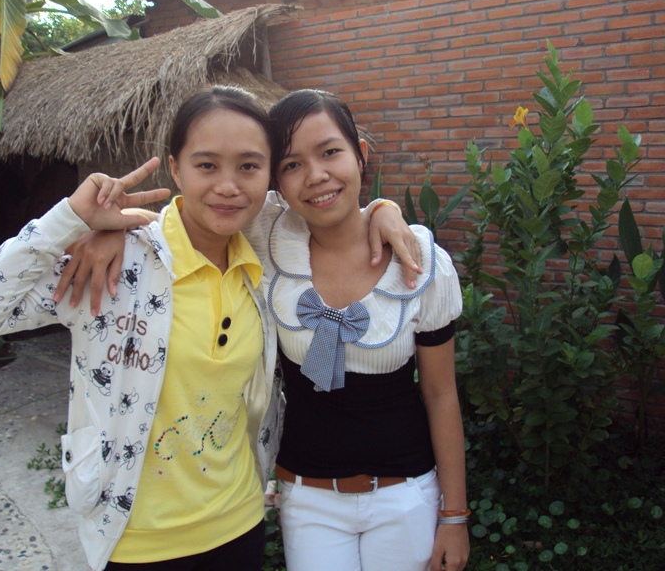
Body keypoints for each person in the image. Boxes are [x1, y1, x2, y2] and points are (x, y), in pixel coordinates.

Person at [61, 89, 469, 571]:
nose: (315, 175)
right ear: (277, 180)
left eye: (330, 152)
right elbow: (192, 221)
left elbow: (441, 394)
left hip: (406, 495)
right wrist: (117, 230)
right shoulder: (269, 237)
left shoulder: (418, 263)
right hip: (308, 496)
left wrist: (455, 515)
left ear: (360, 154)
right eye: (292, 164)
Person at [0, 87, 285, 571]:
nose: (229, 186)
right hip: (136, 542)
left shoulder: (265, 261)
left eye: (249, 166)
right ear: (176, 169)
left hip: (239, 523)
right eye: (207, 165)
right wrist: (70, 219)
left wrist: (383, 214)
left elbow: (334, 215)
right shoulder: (118, 262)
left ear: (270, 173)